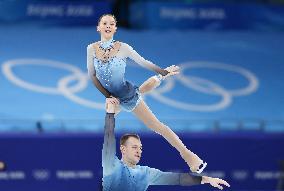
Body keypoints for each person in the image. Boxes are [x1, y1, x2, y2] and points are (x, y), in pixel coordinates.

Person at [87, 13, 206, 173]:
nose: (108, 26)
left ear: (115, 28)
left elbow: (144, 62)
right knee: (108, 126)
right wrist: (108, 96)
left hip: (127, 95)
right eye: (104, 23)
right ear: (98, 27)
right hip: (113, 98)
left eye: (111, 24)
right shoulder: (91, 49)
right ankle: (111, 170)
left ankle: (188, 155)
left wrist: (163, 71)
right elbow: (92, 76)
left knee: (156, 125)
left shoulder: (124, 48)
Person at [102, 103, 230, 191]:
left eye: (140, 148)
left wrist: (206, 179)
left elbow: (178, 179)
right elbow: (108, 139)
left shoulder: (146, 173)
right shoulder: (112, 166)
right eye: (134, 147)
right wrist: (110, 114)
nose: (139, 151)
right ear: (123, 149)